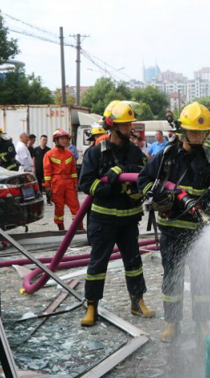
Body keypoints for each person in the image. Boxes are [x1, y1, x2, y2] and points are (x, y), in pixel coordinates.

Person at [138, 102, 210, 343]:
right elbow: (143, 180)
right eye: (194, 131)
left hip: (199, 233)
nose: (198, 136)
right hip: (171, 231)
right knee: (172, 278)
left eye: (202, 132)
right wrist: (158, 194)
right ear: (182, 131)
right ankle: (172, 323)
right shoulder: (167, 155)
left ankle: (201, 323)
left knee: (201, 278)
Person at [78, 100, 154, 326]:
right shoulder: (95, 154)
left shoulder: (135, 153)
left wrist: (138, 192)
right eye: (124, 124)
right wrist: (108, 184)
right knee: (97, 264)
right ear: (111, 125)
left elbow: (144, 178)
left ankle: (137, 302)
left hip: (129, 219)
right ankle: (91, 305)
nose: (129, 128)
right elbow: (86, 185)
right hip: (103, 220)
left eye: (129, 124)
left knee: (134, 263)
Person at [43, 129, 81, 231]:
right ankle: (61, 228)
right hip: (56, 183)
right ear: (56, 140)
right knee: (59, 208)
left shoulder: (70, 154)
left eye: (66, 138)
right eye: (62, 138)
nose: (65, 141)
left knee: (76, 206)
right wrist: (47, 186)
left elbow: (73, 170)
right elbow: (47, 172)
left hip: (69, 183)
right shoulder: (49, 154)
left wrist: (76, 183)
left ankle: (79, 228)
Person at [33, 134, 52, 205]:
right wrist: (34, 167)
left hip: (46, 171)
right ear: (40, 140)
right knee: (38, 186)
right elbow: (34, 158)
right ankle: (40, 200)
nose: (45, 141)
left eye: (46, 140)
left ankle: (48, 200)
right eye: (43, 140)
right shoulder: (36, 149)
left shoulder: (49, 150)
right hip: (38, 170)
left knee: (47, 186)